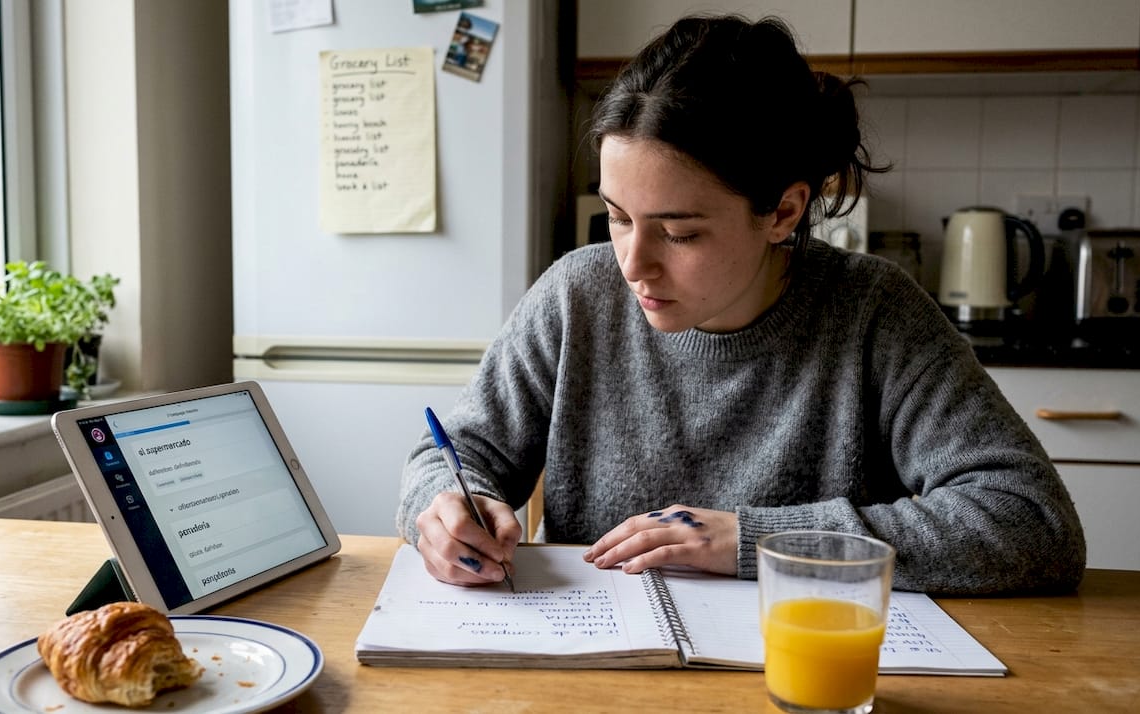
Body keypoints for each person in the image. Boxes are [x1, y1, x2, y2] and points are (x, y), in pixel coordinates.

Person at [396, 14, 1086, 595]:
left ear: (783, 211)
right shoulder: (576, 296)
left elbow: (1031, 522)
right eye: (617, 217)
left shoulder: (874, 313)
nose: (633, 265)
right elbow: (452, 456)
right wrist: (445, 507)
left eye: (680, 232)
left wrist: (754, 539)